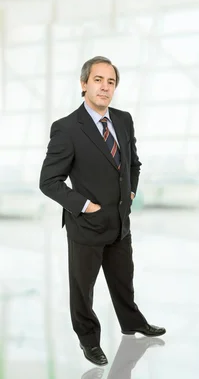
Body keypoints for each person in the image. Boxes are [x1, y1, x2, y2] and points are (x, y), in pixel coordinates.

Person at [39, 56, 165, 366]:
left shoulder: (123, 120)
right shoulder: (67, 128)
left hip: (120, 221)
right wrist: (85, 206)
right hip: (87, 225)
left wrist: (131, 191)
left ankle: (132, 322)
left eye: (110, 82)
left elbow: (133, 163)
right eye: (98, 80)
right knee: (83, 290)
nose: (104, 87)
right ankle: (88, 340)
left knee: (123, 279)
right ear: (84, 84)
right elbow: (48, 181)